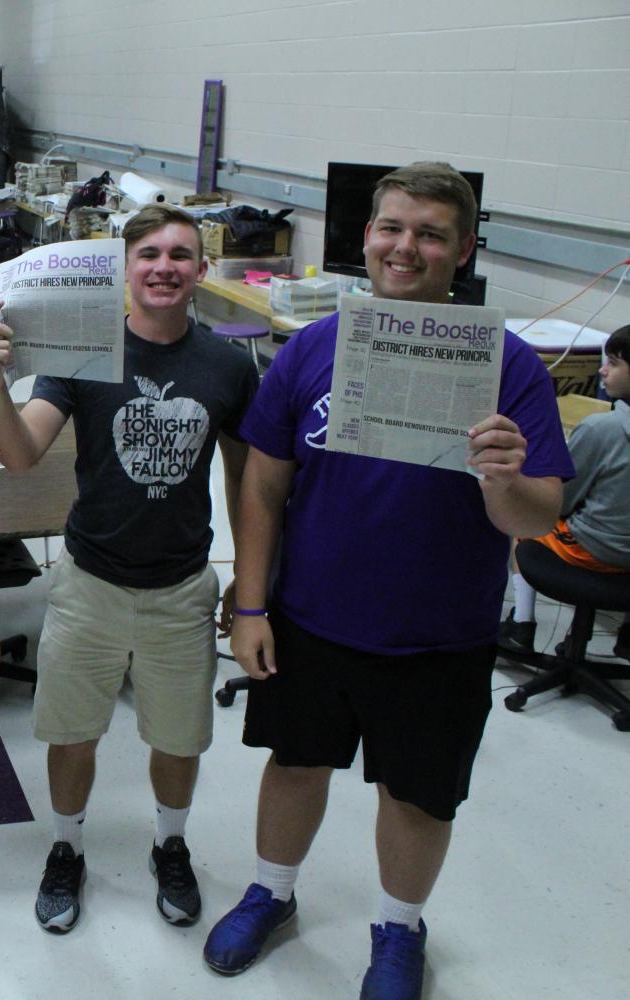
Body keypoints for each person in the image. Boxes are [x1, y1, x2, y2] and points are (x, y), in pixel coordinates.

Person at [204, 162, 574, 1000]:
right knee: (294, 765)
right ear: (366, 238)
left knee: (417, 797)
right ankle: (272, 891)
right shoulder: (313, 348)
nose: (406, 247)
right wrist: (251, 603)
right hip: (310, 617)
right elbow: (262, 487)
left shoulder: (508, 367)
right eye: (392, 228)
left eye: (430, 233)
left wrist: (503, 478)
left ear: (464, 248)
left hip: (440, 632)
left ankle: (399, 930)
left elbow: (535, 516)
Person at [0, 204, 257, 933]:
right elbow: (20, 454)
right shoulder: (85, 354)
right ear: (125, 268)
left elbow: (250, 485)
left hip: (181, 589)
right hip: (90, 581)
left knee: (178, 737)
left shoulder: (228, 364)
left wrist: (253, 589)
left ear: (201, 270)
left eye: (181, 255)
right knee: (72, 733)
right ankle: (66, 849)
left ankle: (170, 843)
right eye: (150, 254)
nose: (165, 266)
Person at [500, 324, 630, 653]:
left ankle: (521, 626)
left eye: (614, 362)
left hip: (596, 554)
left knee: (525, 519)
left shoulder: (604, 428)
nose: (603, 369)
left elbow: (558, 503)